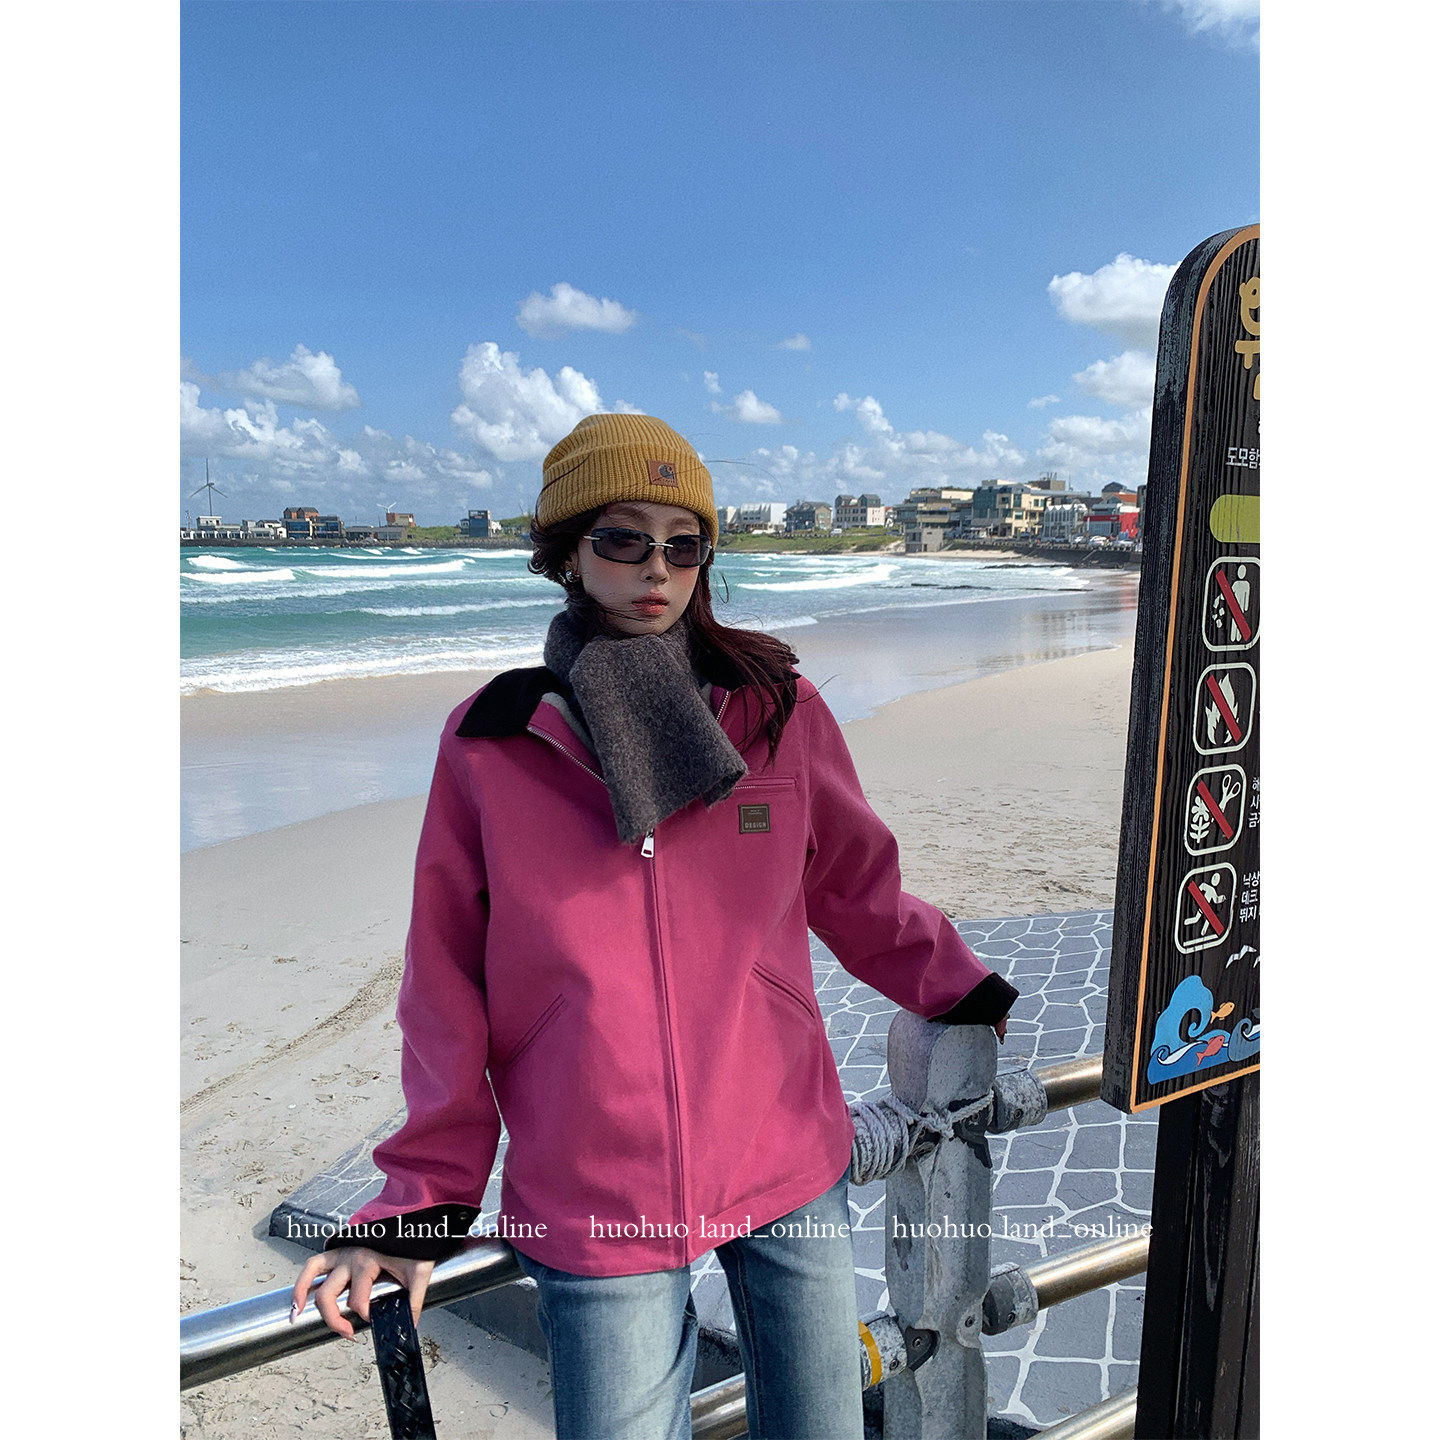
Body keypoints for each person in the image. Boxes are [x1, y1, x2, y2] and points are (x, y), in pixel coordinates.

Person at [292, 412, 1017, 1440]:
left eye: (685, 545)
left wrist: (960, 988)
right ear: (567, 552)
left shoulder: (774, 710)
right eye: (623, 539)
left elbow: (857, 885)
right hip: (596, 1182)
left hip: (783, 1146)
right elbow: (444, 979)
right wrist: (423, 1197)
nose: (656, 569)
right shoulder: (494, 740)